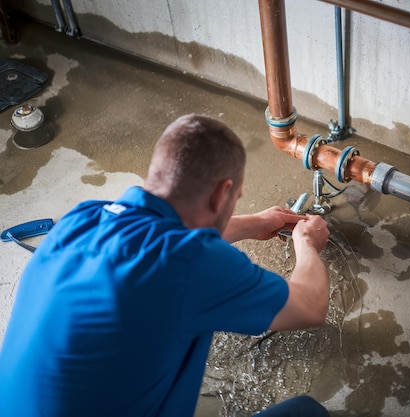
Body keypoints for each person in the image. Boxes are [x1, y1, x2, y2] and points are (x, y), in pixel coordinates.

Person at [0, 114, 331, 417]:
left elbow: (160, 243)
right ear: (222, 193)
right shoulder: (191, 262)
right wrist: (307, 242)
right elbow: (310, 306)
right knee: (305, 412)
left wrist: (255, 223)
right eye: (236, 197)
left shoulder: (82, 218)